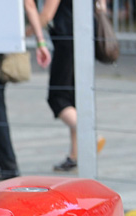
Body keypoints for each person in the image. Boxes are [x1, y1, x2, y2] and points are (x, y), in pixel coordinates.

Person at [0, 0, 52, 181]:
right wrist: (40, 41)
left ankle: (8, 164)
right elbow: (29, 5)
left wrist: (40, 42)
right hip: (1, 37)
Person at [41, 0, 108, 171]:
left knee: (57, 98)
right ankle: (75, 155)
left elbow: (47, 15)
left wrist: (23, 33)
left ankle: (90, 137)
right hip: (85, 39)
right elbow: (102, 5)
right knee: (73, 98)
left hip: (66, 41)